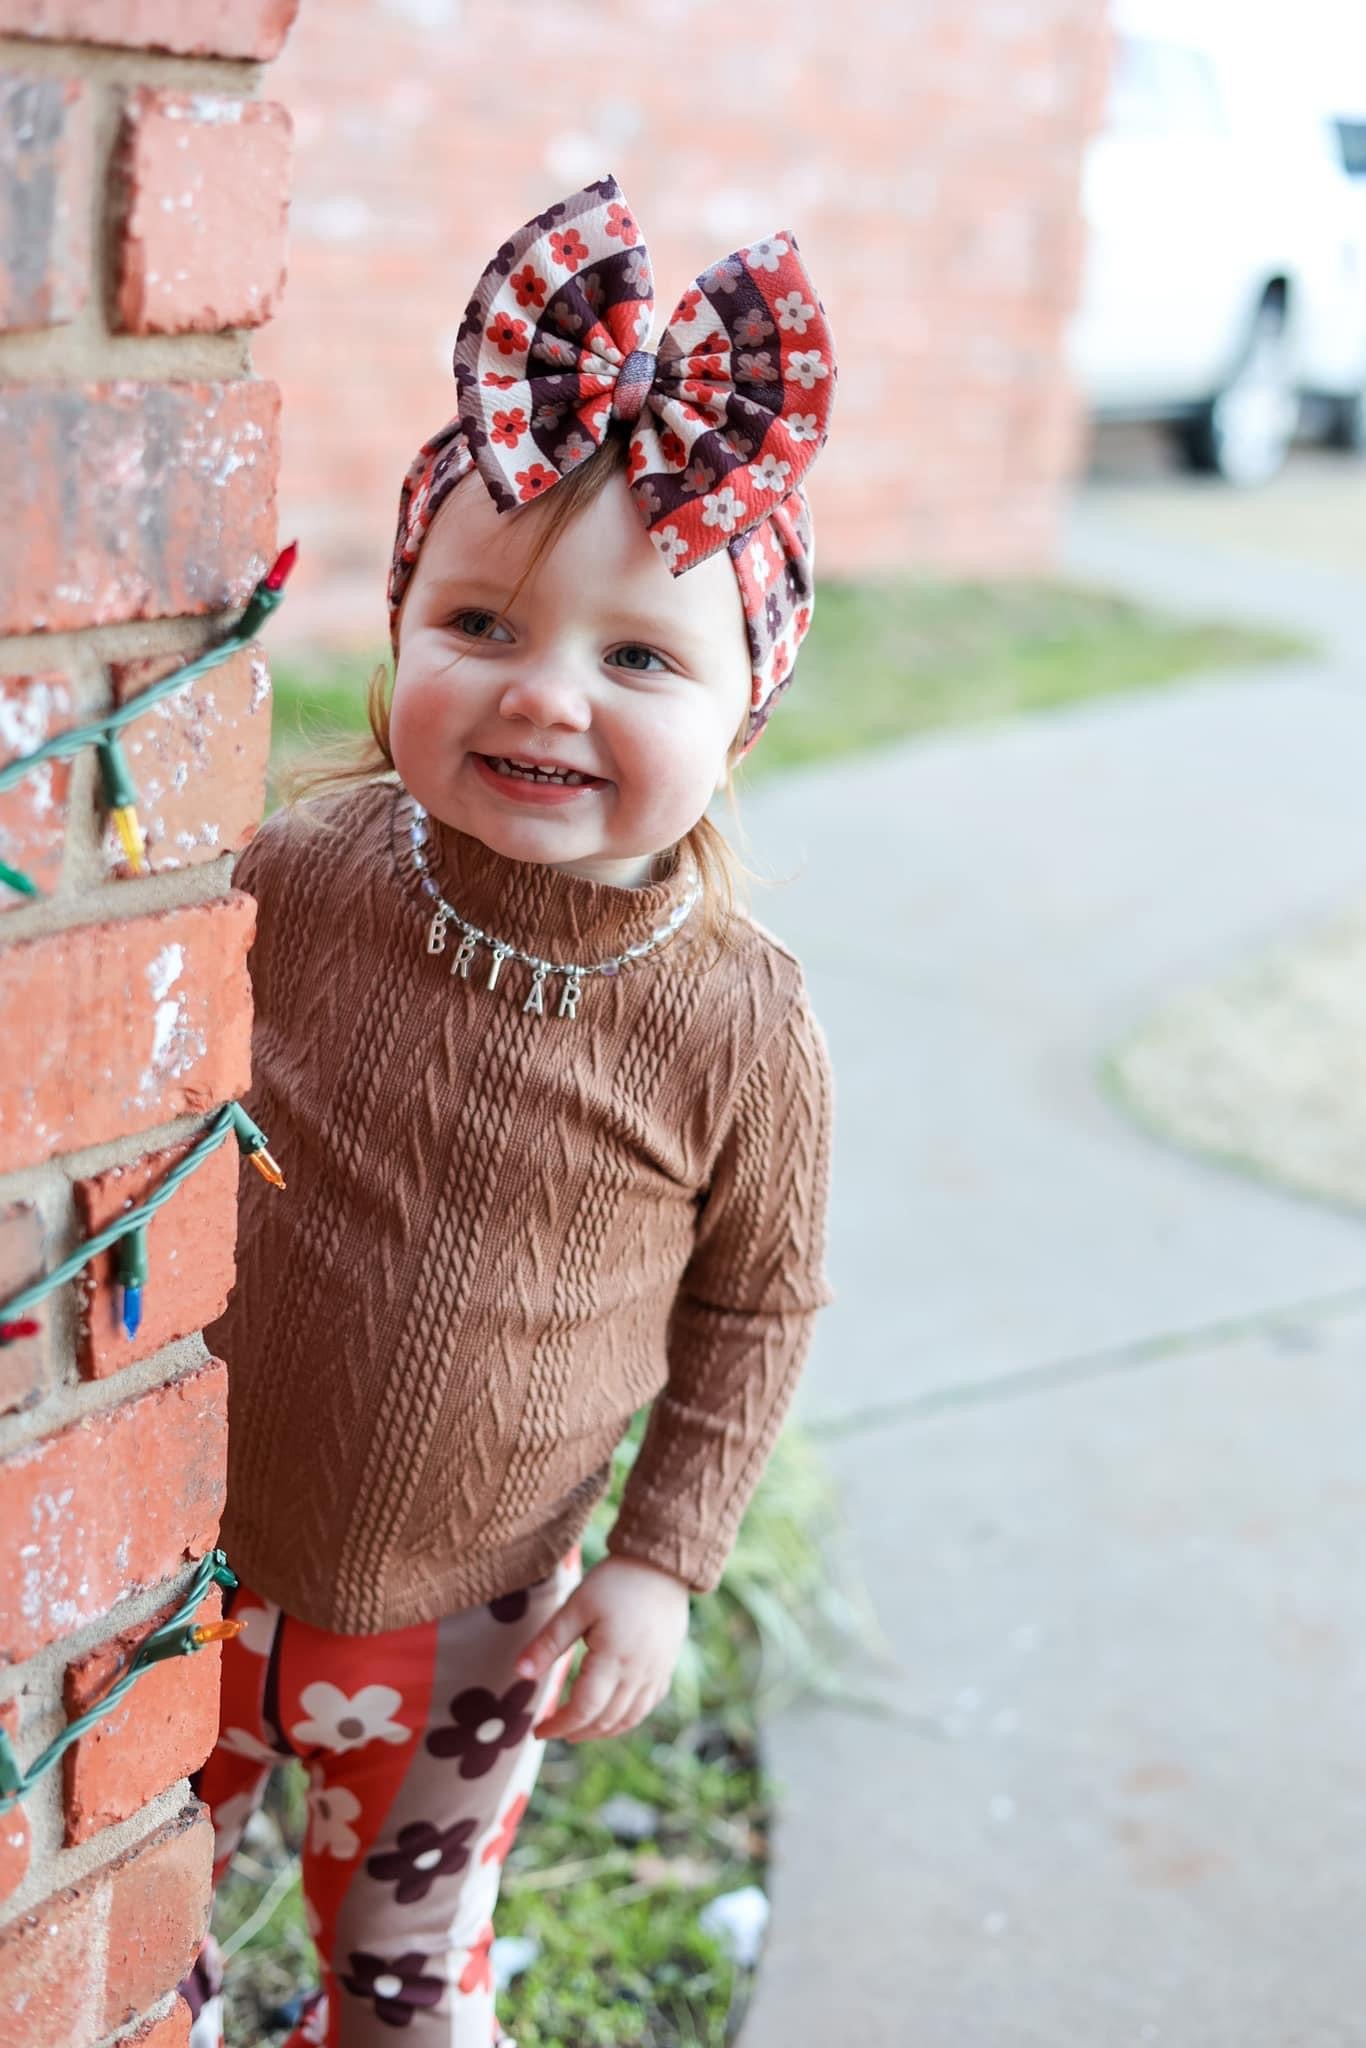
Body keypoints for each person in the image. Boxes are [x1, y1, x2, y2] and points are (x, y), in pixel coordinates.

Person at [182, 172, 838, 2047]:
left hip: (469, 1625)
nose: (544, 694)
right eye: (479, 620)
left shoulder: (734, 1019)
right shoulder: (295, 877)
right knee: (136, 1922)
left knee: (400, 1981)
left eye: (638, 657)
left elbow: (756, 1307)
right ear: (398, 633)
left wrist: (659, 1561)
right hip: (194, 1566)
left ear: (745, 711)